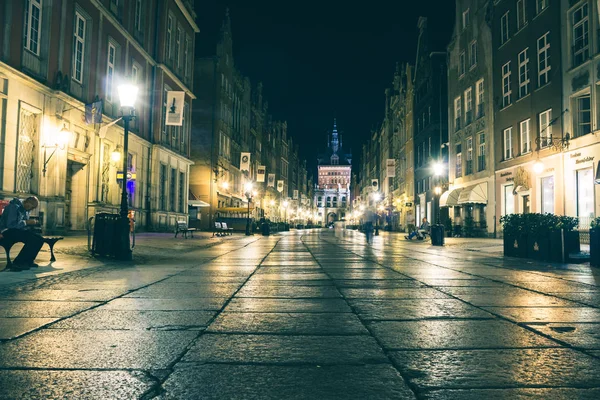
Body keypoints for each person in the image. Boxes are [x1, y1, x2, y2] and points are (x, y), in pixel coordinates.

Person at [0, 196, 44, 271]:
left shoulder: (25, 209)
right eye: (30, 206)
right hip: (6, 232)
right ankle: (19, 263)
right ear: (26, 201)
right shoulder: (14, 206)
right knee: (32, 239)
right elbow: (10, 225)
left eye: (33, 208)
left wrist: (28, 225)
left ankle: (28, 261)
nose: (31, 209)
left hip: (16, 230)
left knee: (39, 239)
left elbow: (21, 225)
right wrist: (26, 222)